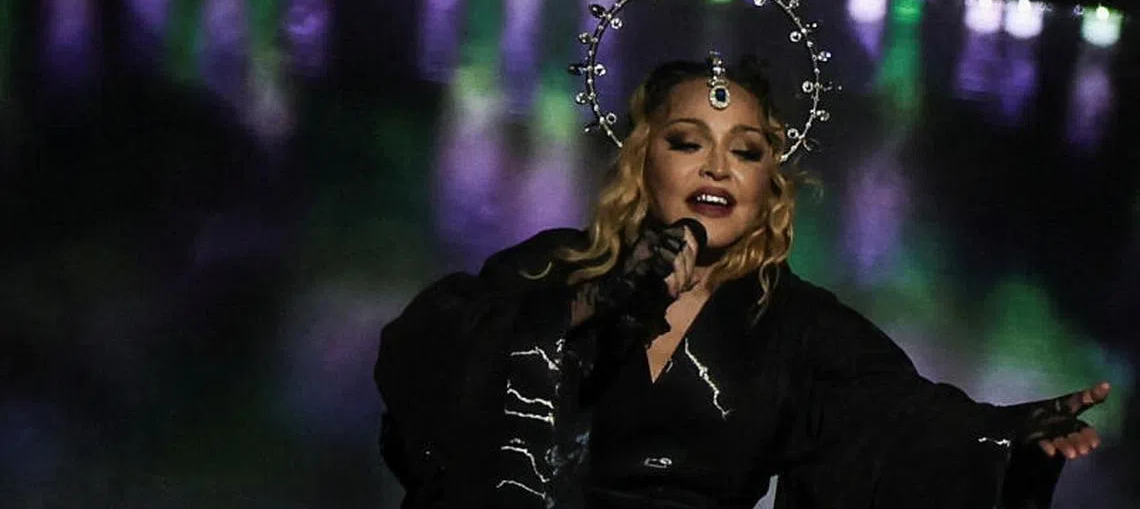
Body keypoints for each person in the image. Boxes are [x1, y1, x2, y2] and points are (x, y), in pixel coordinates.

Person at [374, 54, 1110, 508]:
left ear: (769, 184)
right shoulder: (556, 268)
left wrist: (1009, 437)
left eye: (746, 151)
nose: (717, 168)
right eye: (688, 142)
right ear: (643, 162)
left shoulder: (797, 324)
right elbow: (430, 359)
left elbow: (909, 424)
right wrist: (598, 301)